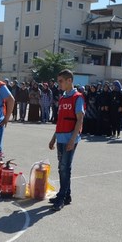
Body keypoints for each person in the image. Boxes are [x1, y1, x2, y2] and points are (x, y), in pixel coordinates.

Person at [48, 69, 84, 211]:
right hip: (61, 137)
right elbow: (60, 121)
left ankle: (61, 197)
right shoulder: (62, 98)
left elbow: (80, 119)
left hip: (70, 138)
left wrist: (72, 140)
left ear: (69, 80)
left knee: (65, 168)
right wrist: (53, 138)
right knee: (61, 167)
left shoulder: (78, 97)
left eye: (61, 81)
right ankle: (66, 195)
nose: (59, 84)